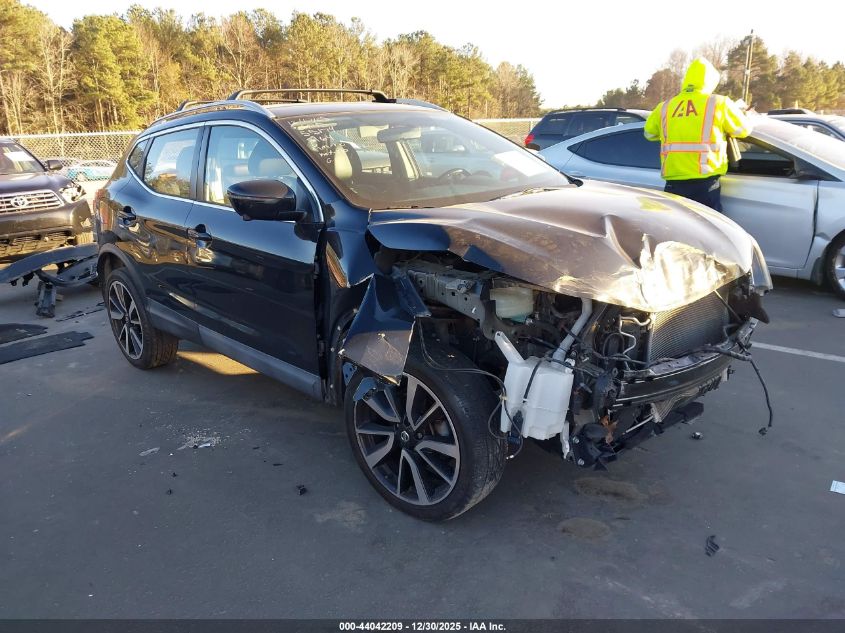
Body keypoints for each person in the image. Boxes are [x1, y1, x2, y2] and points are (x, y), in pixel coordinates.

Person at [644, 57, 751, 212]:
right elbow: (743, 130)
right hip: (705, 182)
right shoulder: (719, 103)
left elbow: (648, 134)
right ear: (710, 82)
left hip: (675, 181)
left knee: (677, 228)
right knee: (708, 230)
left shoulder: (666, 106)